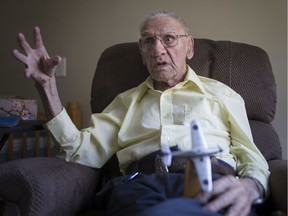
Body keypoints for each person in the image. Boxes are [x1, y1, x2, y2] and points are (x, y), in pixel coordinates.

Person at [12, 11, 269, 216]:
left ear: (189, 47)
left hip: (208, 179)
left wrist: (251, 186)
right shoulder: (125, 102)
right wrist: (47, 88)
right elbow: (79, 151)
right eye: (149, 42)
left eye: (168, 39)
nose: (158, 50)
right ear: (142, 52)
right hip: (140, 185)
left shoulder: (222, 95)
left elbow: (250, 155)